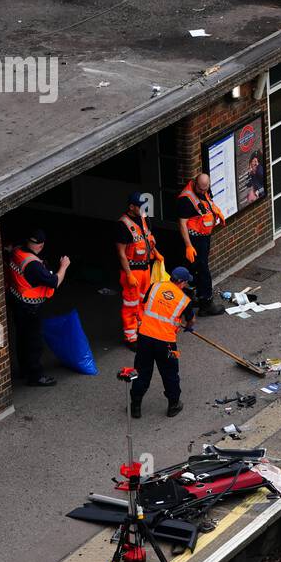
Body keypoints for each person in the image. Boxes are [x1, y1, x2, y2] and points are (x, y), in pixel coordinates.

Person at [4, 228, 69, 387]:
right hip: (30, 308)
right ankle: (35, 375)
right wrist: (64, 266)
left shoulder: (17, 251)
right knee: (34, 342)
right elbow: (54, 281)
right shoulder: (33, 265)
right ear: (41, 245)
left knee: (22, 337)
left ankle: (24, 369)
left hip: (17, 301)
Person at [130, 266, 195, 418]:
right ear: (182, 282)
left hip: (145, 337)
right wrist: (188, 327)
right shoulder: (185, 300)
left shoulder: (156, 286)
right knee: (170, 373)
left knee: (142, 371)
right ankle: (173, 405)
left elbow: (147, 304)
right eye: (186, 283)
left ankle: (135, 406)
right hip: (166, 342)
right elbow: (191, 320)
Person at [176, 172, 225, 316]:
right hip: (194, 241)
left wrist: (216, 213)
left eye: (205, 189)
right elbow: (182, 224)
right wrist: (188, 245)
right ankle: (207, 304)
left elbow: (207, 203)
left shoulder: (204, 190)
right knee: (203, 271)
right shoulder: (186, 199)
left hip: (203, 239)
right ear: (195, 183)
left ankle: (193, 297)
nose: (203, 192)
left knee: (195, 269)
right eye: (201, 189)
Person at [116, 191, 157, 345]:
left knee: (143, 301)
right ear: (131, 207)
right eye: (140, 207)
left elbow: (148, 240)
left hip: (145, 268)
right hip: (132, 270)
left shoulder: (144, 219)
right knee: (131, 305)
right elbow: (121, 253)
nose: (143, 209)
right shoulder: (123, 225)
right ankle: (131, 337)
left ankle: (141, 329)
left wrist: (156, 254)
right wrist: (128, 274)